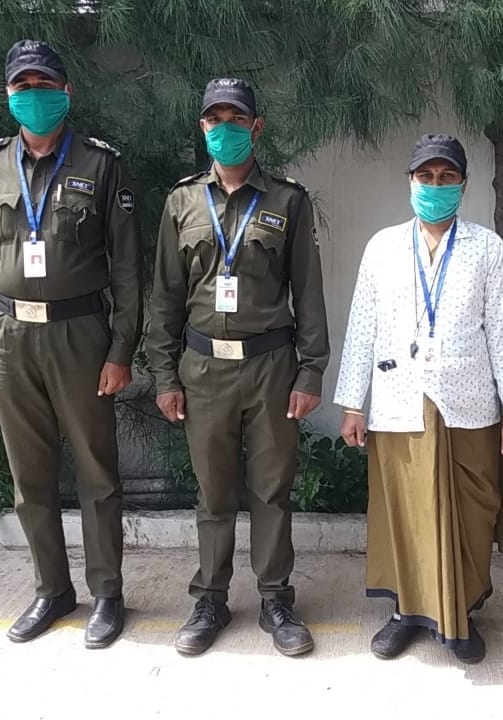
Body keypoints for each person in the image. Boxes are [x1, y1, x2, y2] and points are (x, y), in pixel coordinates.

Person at [0, 40, 143, 649]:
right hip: (8, 336)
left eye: (44, 84)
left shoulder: (100, 163)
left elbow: (127, 268)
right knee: (30, 477)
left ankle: (107, 593)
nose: (33, 95)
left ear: (66, 91)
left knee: (96, 471)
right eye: (23, 86)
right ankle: (52, 590)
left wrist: (120, 350)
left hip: (79, 334)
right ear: (8, 94)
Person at [146, 78, 330, 658]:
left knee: (272, 490)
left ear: (256, 127)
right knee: (213, 491)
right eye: (214, 119)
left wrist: (310, 372)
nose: (224, 128)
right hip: (203, 369)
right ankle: (210, 598)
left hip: (271, 366)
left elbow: (308, 292)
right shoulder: (181, 202)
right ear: (202, 127)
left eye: (235, 118)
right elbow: (164, 296)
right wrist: (164, 375)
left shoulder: (287, 201)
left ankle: (276, 598)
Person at [335, 134, 503, 664]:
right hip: (399, 401)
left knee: (470, 512)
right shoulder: (382, 247)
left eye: (446, 177)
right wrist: (352, 403)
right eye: (426, 176)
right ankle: (406, 612)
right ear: (410, 181)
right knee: (405, 512)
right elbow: (362, 327)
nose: (435, 185)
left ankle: (461, 611)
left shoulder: (486, 248)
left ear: (463, 185)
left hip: (469, 404)